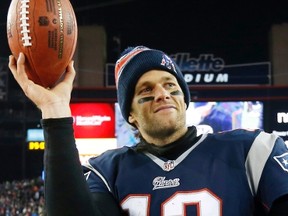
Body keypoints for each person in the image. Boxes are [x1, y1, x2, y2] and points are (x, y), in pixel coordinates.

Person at [8, 45, 288, 216]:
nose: (162, 94)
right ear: (130, 114)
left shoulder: (253, 151)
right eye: (146, 89)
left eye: (170, 85)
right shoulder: (107, 172)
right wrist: (54, 111)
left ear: (183, 98)